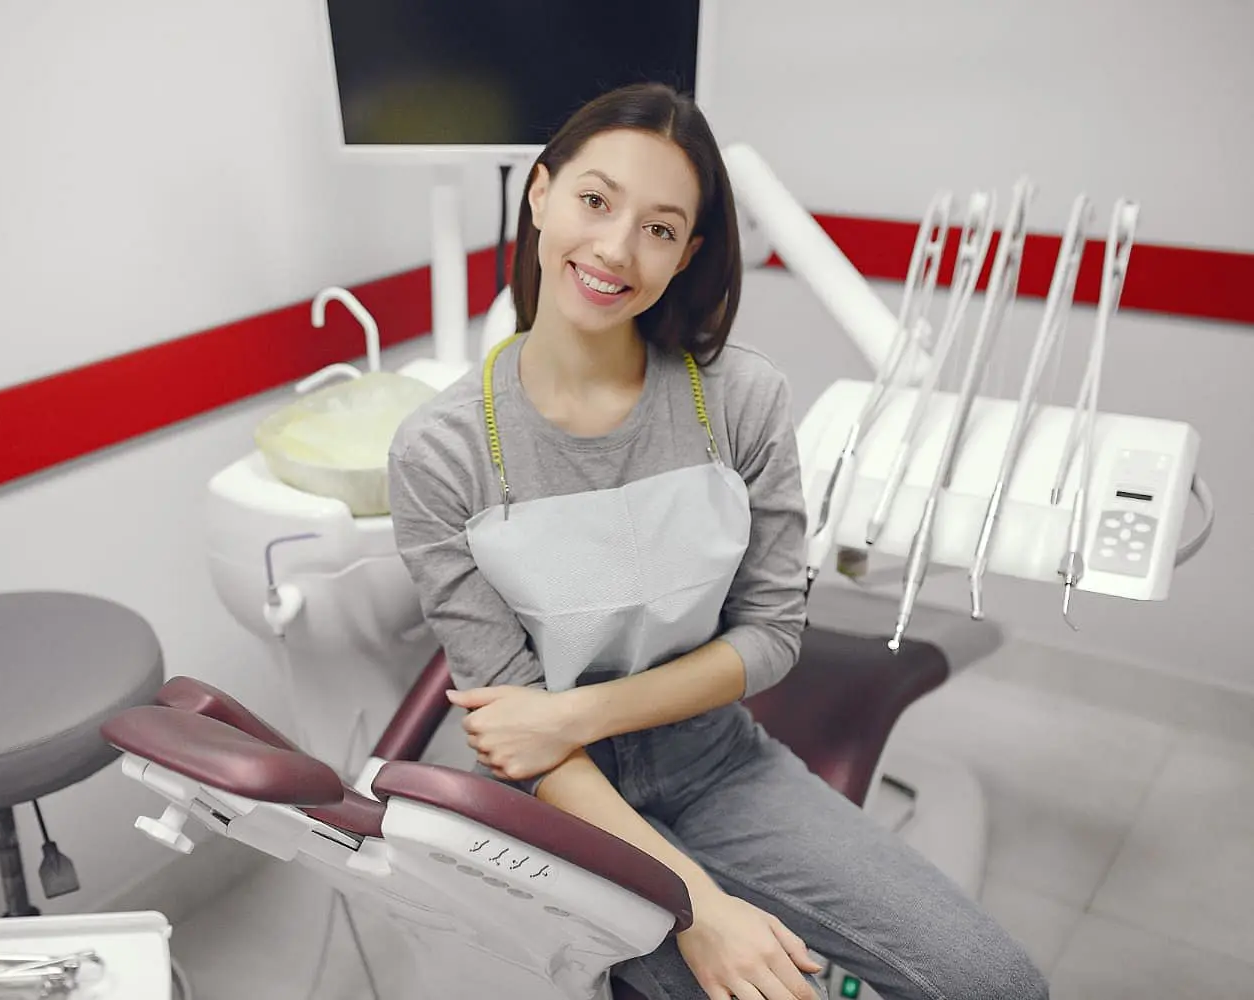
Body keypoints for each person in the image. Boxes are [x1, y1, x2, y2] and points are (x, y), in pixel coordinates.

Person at [387, 82, 1049, 1000]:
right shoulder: (441, 451)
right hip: (558, 804)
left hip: (716, 764)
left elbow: (772, 633)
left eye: (659, 228)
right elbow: (518, 740)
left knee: (996, 984)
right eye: (595, 200)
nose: (616, 248)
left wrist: (579, 711)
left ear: (687, 252)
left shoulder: (740, 399)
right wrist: (702, 909)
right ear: (538, 193)